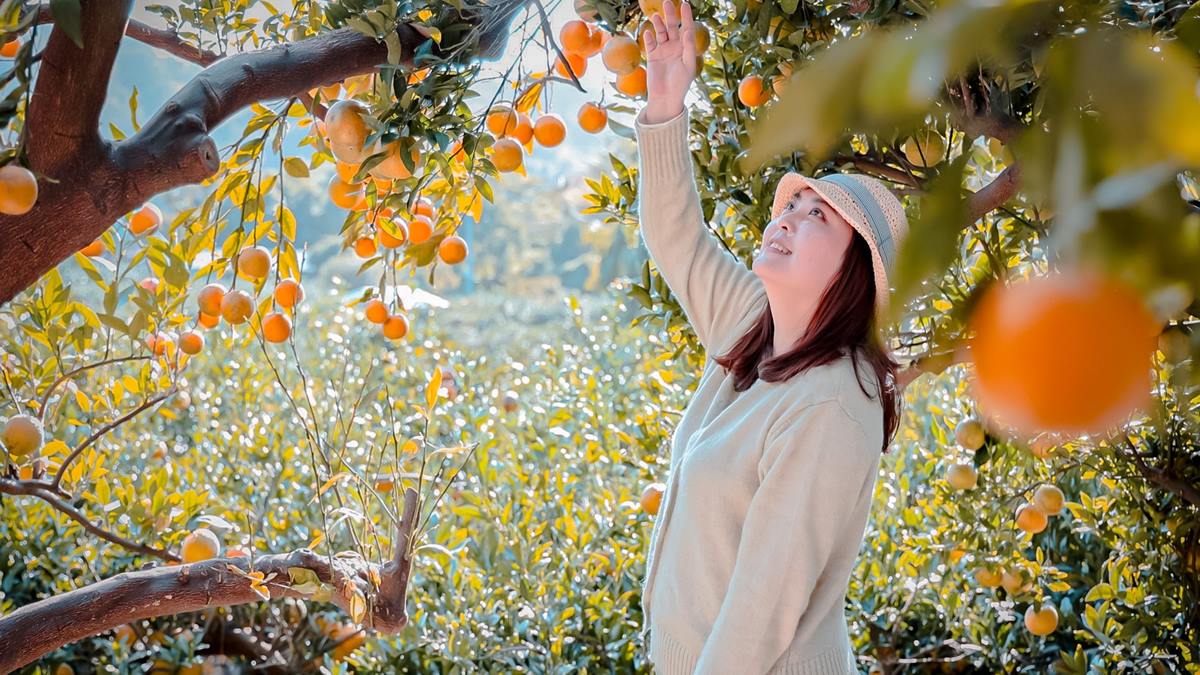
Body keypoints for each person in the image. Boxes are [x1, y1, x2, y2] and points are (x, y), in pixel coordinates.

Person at [632, 1, 911, 672]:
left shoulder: (833, 401)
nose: (785, 218)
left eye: (817, 216)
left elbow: (760, 611)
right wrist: (668, 100)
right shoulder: (755, 325)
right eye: (791, 204)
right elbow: (676, 237)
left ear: (854, 270)